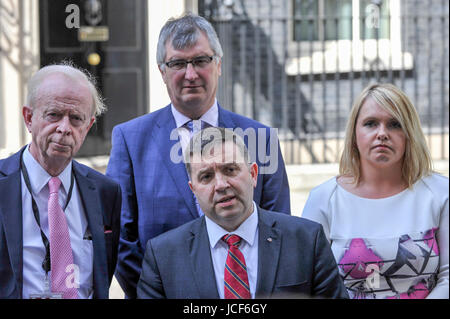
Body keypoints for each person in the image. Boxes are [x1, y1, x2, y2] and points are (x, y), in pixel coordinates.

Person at [106, 13, 291, 298]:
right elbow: (120, 236)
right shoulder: (131, 140)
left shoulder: (261, 138)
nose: (190, 74)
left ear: (219, 64)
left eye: (201, 61)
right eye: (178, 63)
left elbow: (280, 231)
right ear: (162, 71)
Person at [136, 127, 347, 299]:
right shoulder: (163, 256)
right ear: (193, 190)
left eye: (230, 170)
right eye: (207, 176)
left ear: (253, 174)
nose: (220, 185)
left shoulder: (306, 240)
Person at [302, 83, 449, 299]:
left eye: (395, 124)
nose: (382, 133)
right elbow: (309, 282)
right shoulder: (324, 199)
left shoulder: (440, 193)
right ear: (354, 134)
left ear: (410, 134)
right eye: (370, 123)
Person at [0, 63, 121, 299]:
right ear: (29, 117)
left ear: (88, 126)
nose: (64, 128)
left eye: (76, 118)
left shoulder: (106, 192)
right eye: (53, 115)